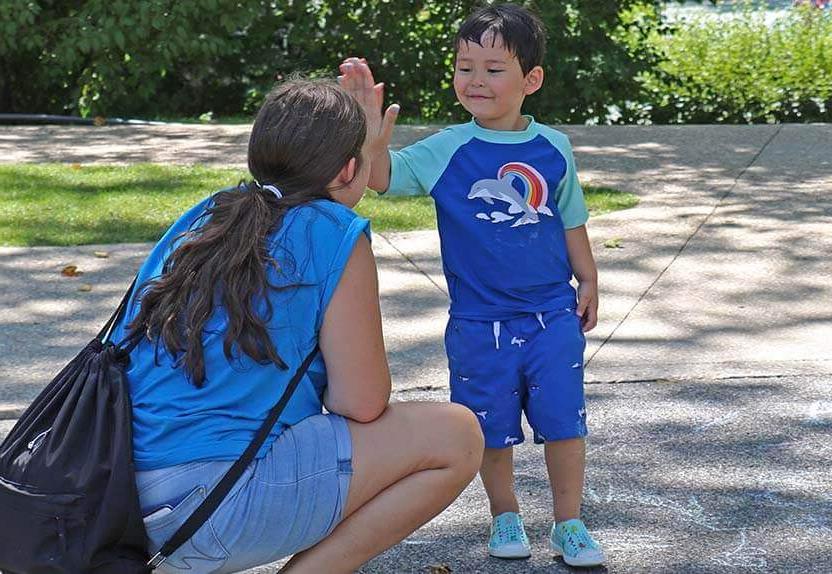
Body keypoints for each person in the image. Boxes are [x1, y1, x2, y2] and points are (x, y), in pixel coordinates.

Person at [111, 78, 483, 574]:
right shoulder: (336, 235)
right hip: (207, 515)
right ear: (350, 168)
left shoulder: (204, 216)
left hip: (118, 502)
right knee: (457, 435)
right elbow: (361, 403)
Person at [339, 2, 605, 567]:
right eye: (465, 67)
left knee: (564, 419)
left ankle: (570, 524)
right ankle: (505, 517)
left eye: (493, 68)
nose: (475, 80)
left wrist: (588, 276)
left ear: (531, 79)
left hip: (552, 315)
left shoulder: (553, 147)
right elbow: (381, 179)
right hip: (478, 322)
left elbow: (570, 216)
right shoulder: (446, 148)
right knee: (490, 426)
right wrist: (369, 141)